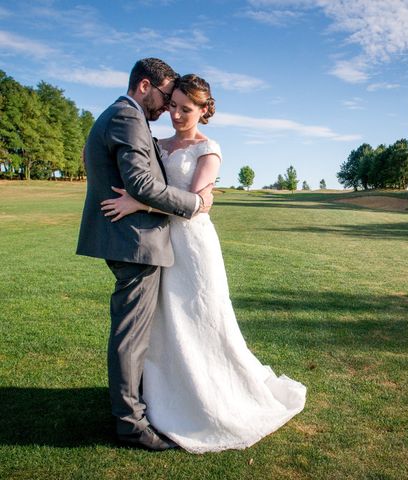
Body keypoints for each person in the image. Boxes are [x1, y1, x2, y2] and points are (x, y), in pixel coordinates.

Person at [100, 74, 306, 453]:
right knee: (167, 322)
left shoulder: (208, 148)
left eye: (186, 109)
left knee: (202, 318)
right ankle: (164, 396)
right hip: (160, 244)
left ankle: (211, 397)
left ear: (203, 110)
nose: (176, 114)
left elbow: (195, 201)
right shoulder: (156, 143)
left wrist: (139, 202)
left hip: (193, 247)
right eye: (173, 105)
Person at [76, 58, 215, 451]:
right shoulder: (128, 117)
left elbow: (94, 160)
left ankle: (142, 404)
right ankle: (131, 424)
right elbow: (140, 181)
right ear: (144, 86)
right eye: (165, 96)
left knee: (136, 334)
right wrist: (193, 202)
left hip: (134, 240)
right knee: (130, 338)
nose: (166, 107)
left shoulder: (120, 116)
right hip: (135, 243)